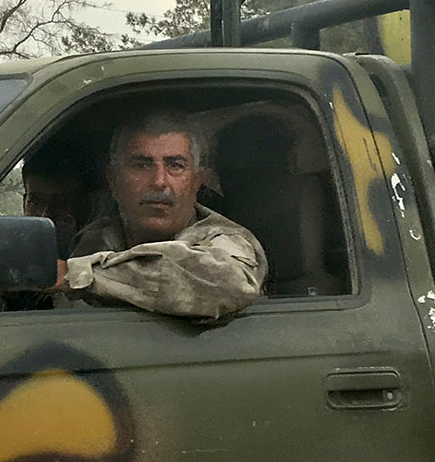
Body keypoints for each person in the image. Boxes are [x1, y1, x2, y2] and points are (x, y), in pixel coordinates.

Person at [44, 111, 268, 320]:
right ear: (114, 180)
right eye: (141, 165)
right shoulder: (92, 240)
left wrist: (74, 275)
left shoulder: (227, 241)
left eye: (176, 165)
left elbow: (226, 282)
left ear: (198, 182)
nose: (160, 181)